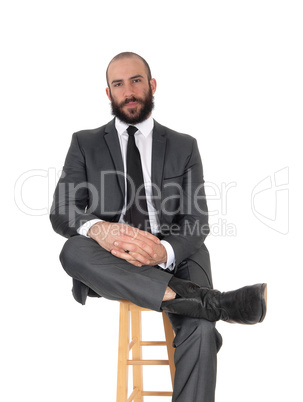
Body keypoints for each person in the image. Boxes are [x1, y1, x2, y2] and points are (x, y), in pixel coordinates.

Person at [50, 52, 267, 402]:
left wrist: (163, 250)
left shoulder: (183, 146)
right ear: (108, 93)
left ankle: (200, 308)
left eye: (136, 80)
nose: (128, 91)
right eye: (117, 84)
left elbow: (197, 222)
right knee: (71, 249)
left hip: (176, 256)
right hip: (113, 261)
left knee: (198, 327)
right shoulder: (84, 143)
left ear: (151, 85)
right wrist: (98, 230)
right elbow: (62, 211)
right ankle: (211, 302)